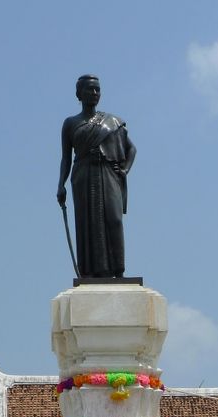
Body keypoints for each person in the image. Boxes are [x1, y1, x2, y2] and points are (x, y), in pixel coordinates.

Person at [57, 74, 136, 279]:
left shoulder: (114, 122)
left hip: (108, 173)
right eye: (90, 89)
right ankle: (90, 271)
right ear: (79, 94)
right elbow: (66, 158)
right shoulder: (70, 123)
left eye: (97, 90)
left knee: (113, 219)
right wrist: (60, 185)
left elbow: (132, 149)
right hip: (83, 176)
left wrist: (125, 170)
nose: (94, 93)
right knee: (87, 223)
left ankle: (118, 270)